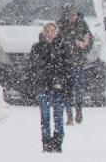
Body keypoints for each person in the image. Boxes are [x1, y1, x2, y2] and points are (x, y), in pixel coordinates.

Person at [27, 21, 74, 152]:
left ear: (56, 32)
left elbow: (68, 68)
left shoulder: (63, 47)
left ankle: (58, 142)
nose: (50, 34)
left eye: (53, 31)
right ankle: (46, 142)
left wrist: (66, 85)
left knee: (58, 116)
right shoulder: (37, 47)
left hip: (58, 87)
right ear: (43, 32)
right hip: (43, 86)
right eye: (47, 31)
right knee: (45, 116)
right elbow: (33, 67)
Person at [59, 7, 94, 124]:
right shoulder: (61, 26)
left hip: (78, 62)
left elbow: (89, 39)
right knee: (67, 90)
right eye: (70, 16)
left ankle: (79, 110)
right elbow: (59, 41)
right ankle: (69, 114)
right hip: (65, 63)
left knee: (78, 88)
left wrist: (85, 46)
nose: (73, 18)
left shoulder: (82, 24)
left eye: (74, 15)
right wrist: (73, 42)